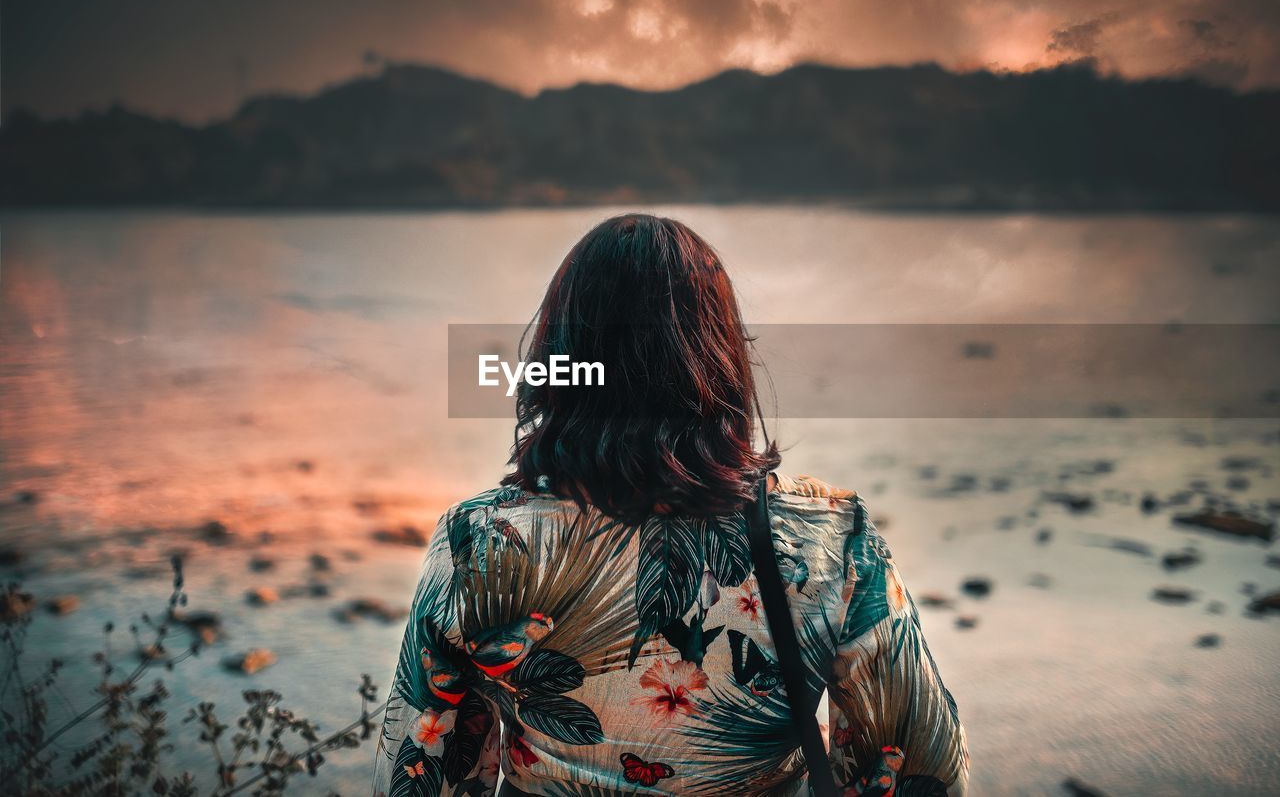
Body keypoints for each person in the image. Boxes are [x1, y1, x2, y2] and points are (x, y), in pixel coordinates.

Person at [372, 214, 968, 796]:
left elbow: (421, 769)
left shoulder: (479, 540)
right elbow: (921, 767)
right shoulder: (831, 538)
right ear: (720, 358)